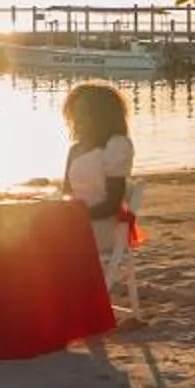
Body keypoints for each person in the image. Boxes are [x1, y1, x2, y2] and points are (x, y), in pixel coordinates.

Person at [60, 80, 136, 259]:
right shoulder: (76, 149)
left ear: (99, 114)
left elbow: (113, 203)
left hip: (101, 225)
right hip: (76, 220)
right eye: (74, 112)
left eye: (81, 112)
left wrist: (78, 217)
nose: (76, 118)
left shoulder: (116, 145)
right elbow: (66, 192)